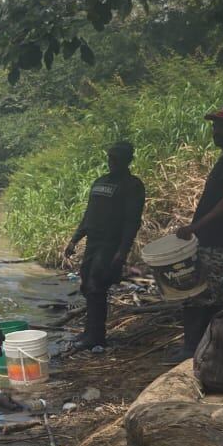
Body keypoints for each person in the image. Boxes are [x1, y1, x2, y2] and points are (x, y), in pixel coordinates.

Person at [62, 142, 145, 351]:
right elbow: (88, 215)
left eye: (118, 158)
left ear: (128, 160)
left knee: (97, 286)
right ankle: (90, 331)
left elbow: (132, 221)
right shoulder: (100, 182)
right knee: (86, 286)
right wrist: (74, 239)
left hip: (111, 245)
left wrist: (122, 252)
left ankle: (96, 336)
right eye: (111, 158)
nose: (113, 162)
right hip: (93, 243)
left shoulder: (133, 185)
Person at [174, 104, 223, 360]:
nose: (215, 131)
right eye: (214, 126)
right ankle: (198, 351)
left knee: (203, 296)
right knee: (199, 294)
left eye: (220, 126)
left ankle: (196, 353)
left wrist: (195, 227)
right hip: (210, 240)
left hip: (216, 240)